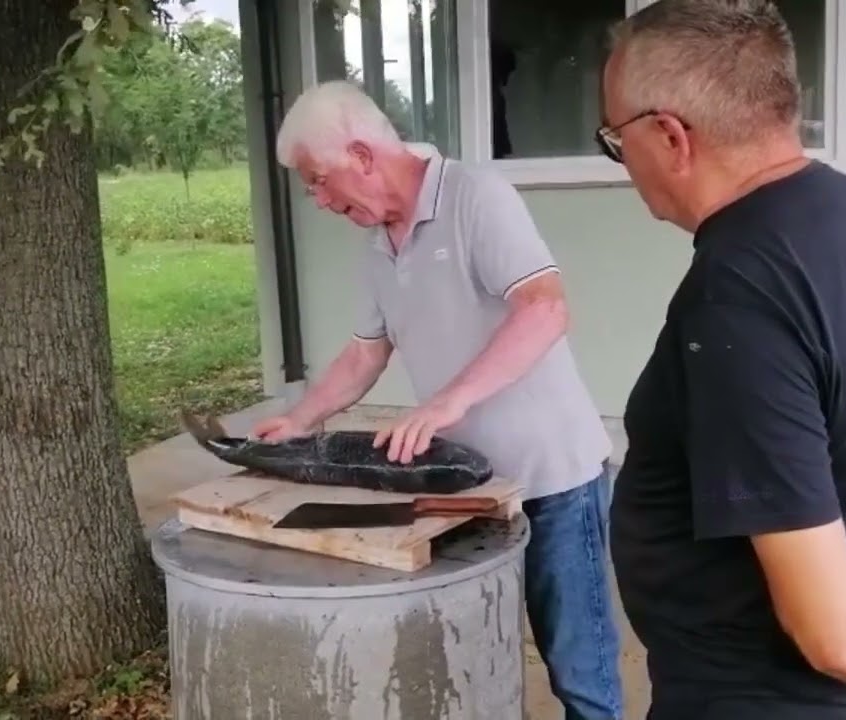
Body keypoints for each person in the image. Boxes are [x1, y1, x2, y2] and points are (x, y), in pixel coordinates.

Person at [598, 2, 846, 719]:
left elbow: (837, 640)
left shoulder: (737, 293)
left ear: (669, 137)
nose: (622, 162)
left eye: (614, 139)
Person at [251, 79, 624, 720]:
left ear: (361, 155)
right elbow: (365, 353)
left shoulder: (478, 197)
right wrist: (299, 419)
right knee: (474, 655)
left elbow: (545, 310)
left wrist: (448, 401)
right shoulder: (376, 244)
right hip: (465, 489)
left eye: (318, 181)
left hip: (553, 480)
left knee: (580, 674)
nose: (319, 200)